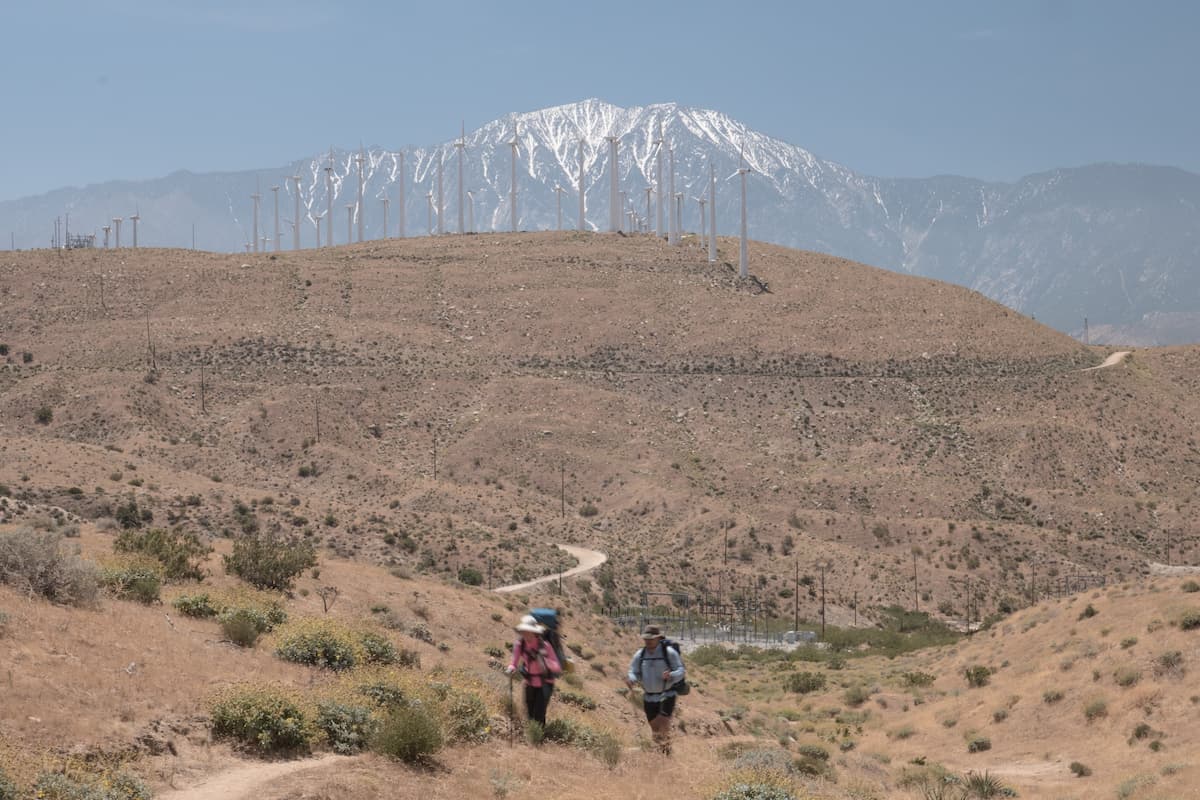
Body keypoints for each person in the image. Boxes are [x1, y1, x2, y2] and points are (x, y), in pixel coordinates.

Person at [626, 624, 685, 755]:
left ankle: (665, 753)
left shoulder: (668, 653)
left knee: (663, 724)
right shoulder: (640, 654)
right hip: (648, 697)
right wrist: (632, 678)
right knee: (655, 729)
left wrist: (671, 675)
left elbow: (681, 670)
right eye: (646, 639)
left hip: (667, 695)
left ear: (658, 638)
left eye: (651, 638)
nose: (648, 641)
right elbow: (633, 671)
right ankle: (663, 753)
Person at [505, 614, 562, 728]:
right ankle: (533, 734)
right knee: (530, 712)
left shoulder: (545, 646)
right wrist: (511, 668)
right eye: (523, 631)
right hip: (529, 682)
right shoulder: (519, 644)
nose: (525, 634)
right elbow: (514, 662)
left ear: (534, 632)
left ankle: (538, 739)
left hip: (546, 683)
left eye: (528, 631)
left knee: (539, 713)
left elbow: (557, 667)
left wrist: (545, 662)